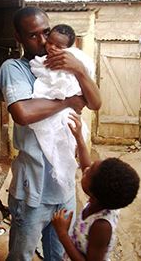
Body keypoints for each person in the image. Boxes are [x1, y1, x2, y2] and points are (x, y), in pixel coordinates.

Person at [0, 6, 101, 261]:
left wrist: (79, 70)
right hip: (33, 190)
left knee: (58, 254)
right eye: (34, 35)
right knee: (21, 255)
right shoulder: (14, 68)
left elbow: (95, 103)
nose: (44, 41)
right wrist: (68, 101)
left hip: (64, 188)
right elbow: (22, 112)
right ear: (19, 38)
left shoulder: (67, 62)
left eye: (46, 31)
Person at [52, 113, 140, 261]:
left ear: (93, 193)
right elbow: (87, 165)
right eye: (92, 166)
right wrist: (79, 137)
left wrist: (62, 234)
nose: (85, 169)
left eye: (88, 173)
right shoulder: (103, 198)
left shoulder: (101, 226)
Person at [29, 24, 95, 188]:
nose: (51, 47)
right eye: (50, 42)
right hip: (52, 107)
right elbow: (39, 68)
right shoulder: (41, 58)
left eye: (58, 46)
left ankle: (64, 171)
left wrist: (77, 73)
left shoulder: (72, 60)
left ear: (68, 48)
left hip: (66, 112)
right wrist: (67, 100)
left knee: (65, 141)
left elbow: (92, 100)